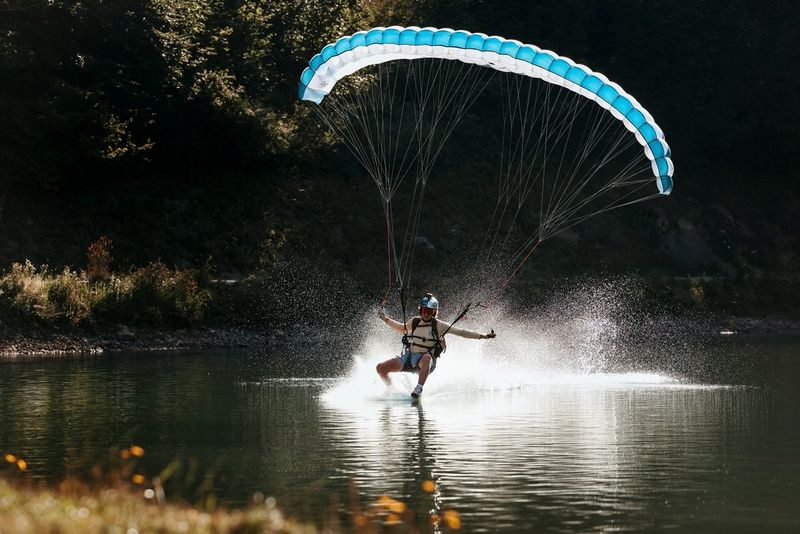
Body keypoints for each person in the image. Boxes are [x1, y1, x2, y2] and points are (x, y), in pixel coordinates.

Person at [376, 293, 496, 398]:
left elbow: (461, 332)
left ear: (434, 312)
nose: (426, 313)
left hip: (425, 362)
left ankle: (418, 389)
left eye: (429, 311)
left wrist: (483, 336)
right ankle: (391, 390)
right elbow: (401, 328)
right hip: (409, 357)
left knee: (426, 357)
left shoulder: (439, 325)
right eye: (423, 310)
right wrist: (384, 319)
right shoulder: (415, 321)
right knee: (380, 368)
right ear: (420, 310)